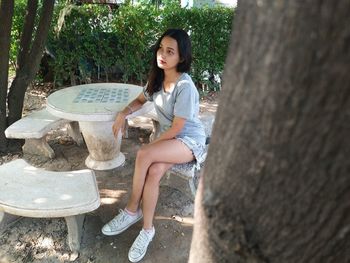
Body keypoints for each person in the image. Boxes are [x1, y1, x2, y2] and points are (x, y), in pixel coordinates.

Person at [101, 28, 206, 262]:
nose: (163, 54)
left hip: (188, 140)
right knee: (155, 170)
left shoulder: (184, 86)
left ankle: (131, 210)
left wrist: (152, 147)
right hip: (172, 139)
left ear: (182, 58)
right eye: (161, 48)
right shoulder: (158, 79)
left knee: (143, 155)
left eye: (170, 51)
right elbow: (140, 99)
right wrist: (123, 112)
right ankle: (147, 229)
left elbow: (179, 128)